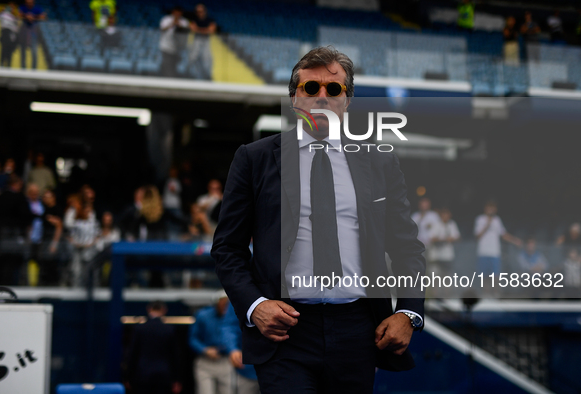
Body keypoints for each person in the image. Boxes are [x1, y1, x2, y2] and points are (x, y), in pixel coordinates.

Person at [212, 47, 426, 393]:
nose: (322, 97)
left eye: (334, 89)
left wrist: (408, 313)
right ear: (295, 99)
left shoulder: (380, 162)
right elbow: (226, 249)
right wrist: (256, 306)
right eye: (311, 89)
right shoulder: (254, 159)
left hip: (359, 328)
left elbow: (407, 248)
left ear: (347, 100)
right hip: (285, 330)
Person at [125, 301, 182, 394]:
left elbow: (132, 354)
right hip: (163, 375)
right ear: (164, 310)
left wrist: (128, 377)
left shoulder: (139, 329)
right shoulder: (169, 329)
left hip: (142, 375)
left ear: (149, 309)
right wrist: (177, 380)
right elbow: (175, 356)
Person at [0, 174, 33, 285]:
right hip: (14, 236)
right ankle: (10, 286)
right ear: (16, 185)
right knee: (12, 264)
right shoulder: (20, 199)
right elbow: (27, 218)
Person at [189, 292, 231, 394]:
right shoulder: (203, 315)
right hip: (206, 361)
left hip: (226, 361)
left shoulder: (233, 315)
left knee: (228, 391)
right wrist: (205, 350)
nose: (225, 307)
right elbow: (192, 338)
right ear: (216, 303)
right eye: (222, 304)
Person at [474, 201, 521, 278]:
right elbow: (477, 236)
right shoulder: (480, 219)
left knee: (495, 277)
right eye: (489, 207)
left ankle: (495, 290)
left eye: (492, 207)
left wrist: (515, 240)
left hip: (494, 253)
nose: (491, 209)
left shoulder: (497, 220)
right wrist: (487, 224)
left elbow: (503, 234)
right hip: (483, 252)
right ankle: (485, 290)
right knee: (484, 277)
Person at [221, 302, 259, 394]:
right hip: (247, 366)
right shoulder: (242, 291)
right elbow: (230, 326)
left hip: (283, 366)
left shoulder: (287, 289)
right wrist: (232, 349)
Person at [428, 208, 460, 279]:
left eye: (447, 215)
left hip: (447, 255)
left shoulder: (452, 224)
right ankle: (435, 290)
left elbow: (457, 237)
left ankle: (447, 290)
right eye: (444, 215)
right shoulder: (436, 224)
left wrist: (451, 239)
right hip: (436, 255)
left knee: (447, 276)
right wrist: (444, 239)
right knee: (435, 276)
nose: (445, 217)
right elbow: (432, 238)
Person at [187, 3, 216, 80]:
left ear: (205, 11)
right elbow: (192, 28)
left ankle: (208, 76)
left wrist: (199, 30)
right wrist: (205, 30)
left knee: (207, 58)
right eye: (197, 11)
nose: (199, 13)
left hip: (206, 41)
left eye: (201, 11)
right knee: (192, 57)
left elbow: (212, 30)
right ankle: (188, 74)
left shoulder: (210, 20)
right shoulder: (193, 20)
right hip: (196, 40)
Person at [159, 7, 189, 78]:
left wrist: (178, 24)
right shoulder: (166, 19)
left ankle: (173, 78)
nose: (177, 14)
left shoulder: (184, 21)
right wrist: (172, 23)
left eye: (179, 12)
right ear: (173, 12)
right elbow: (162, 29)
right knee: (167, 63)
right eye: (176, 12)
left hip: (177, 48)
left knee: (174, 64)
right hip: (166, 46)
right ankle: (166, 78)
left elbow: (186, 31)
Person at [18, 0, 46, 70]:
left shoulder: (38, 8)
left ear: (33, 2)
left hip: (33, 33)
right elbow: (19, 15)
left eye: (30, 3)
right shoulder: (23, 7)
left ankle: (34, 69)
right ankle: (23, 68)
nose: (29, 4)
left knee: (34, 52)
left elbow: (43, 17)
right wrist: (26, 16)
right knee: (22, 51)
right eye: (27, 3)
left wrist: (33, 17)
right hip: (24, 31)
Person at [0, 2, 19, 68]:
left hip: (12, 35)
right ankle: (1, 65)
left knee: (10, 52)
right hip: (5, 32)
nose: (11, 9)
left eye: (13, 7)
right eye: (10, 7)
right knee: (4, 50)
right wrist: (2, 10)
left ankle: (9, 66)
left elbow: (16, 29)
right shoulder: (3, 14)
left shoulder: (14, 18)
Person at [163, 166, 184, 239]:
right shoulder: (167, 180)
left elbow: (175, 190)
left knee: (176, 224)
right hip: (167, 205)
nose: (171, 173)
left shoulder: (177, 181)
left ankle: (175, 240)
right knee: (168, 225)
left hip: (175, 206)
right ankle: (170, 239)